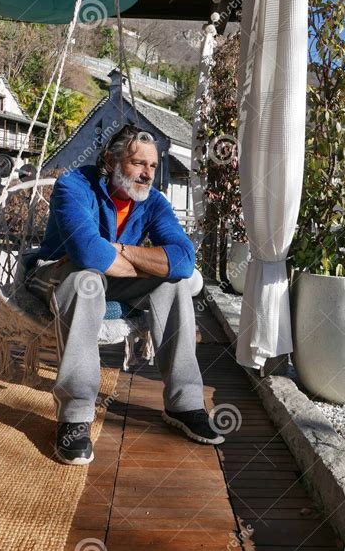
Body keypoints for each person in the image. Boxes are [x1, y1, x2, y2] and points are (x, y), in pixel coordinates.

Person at [27, 123, 224, 465]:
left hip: (112, 276)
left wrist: (121, 250)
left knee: (174, 283)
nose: (147, 174)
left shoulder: (153, 202)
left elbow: (183, 260)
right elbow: (88, 254)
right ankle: (75, 415)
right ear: (111, 161)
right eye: (138, 163)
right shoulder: (74, 185)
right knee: (86, 278)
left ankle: (184, 402)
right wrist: (148, 261)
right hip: (53, 274)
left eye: (152, 165)